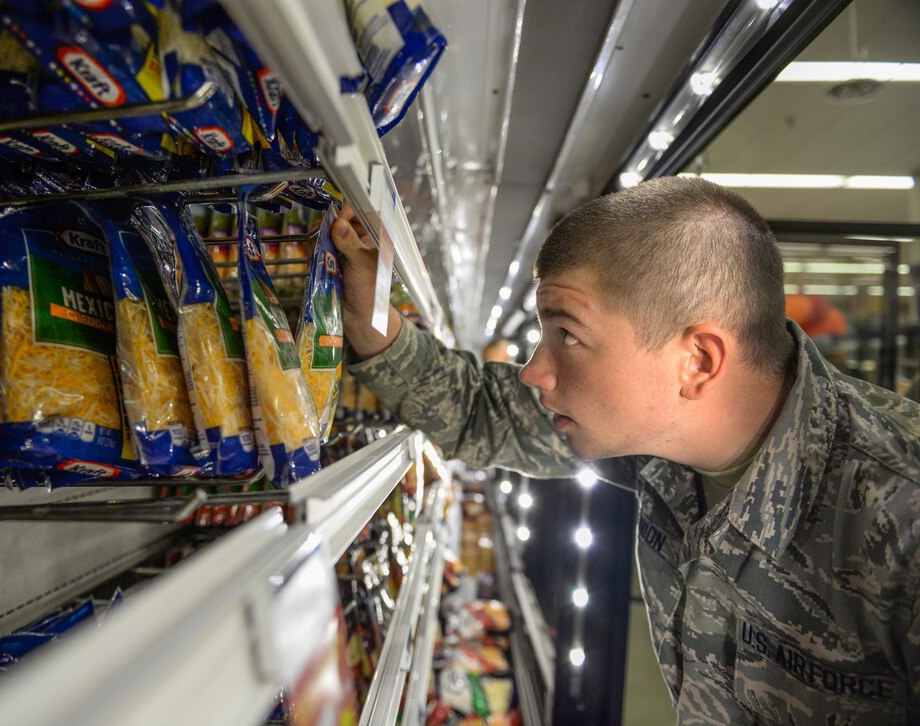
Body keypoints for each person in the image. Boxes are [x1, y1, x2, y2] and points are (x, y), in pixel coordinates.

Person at [331, 176, 920, 724]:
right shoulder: (657, 438)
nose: (535, 372)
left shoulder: (900, 511)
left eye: (567, 334)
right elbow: (481, 410)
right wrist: (370, 312)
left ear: (698, 361)